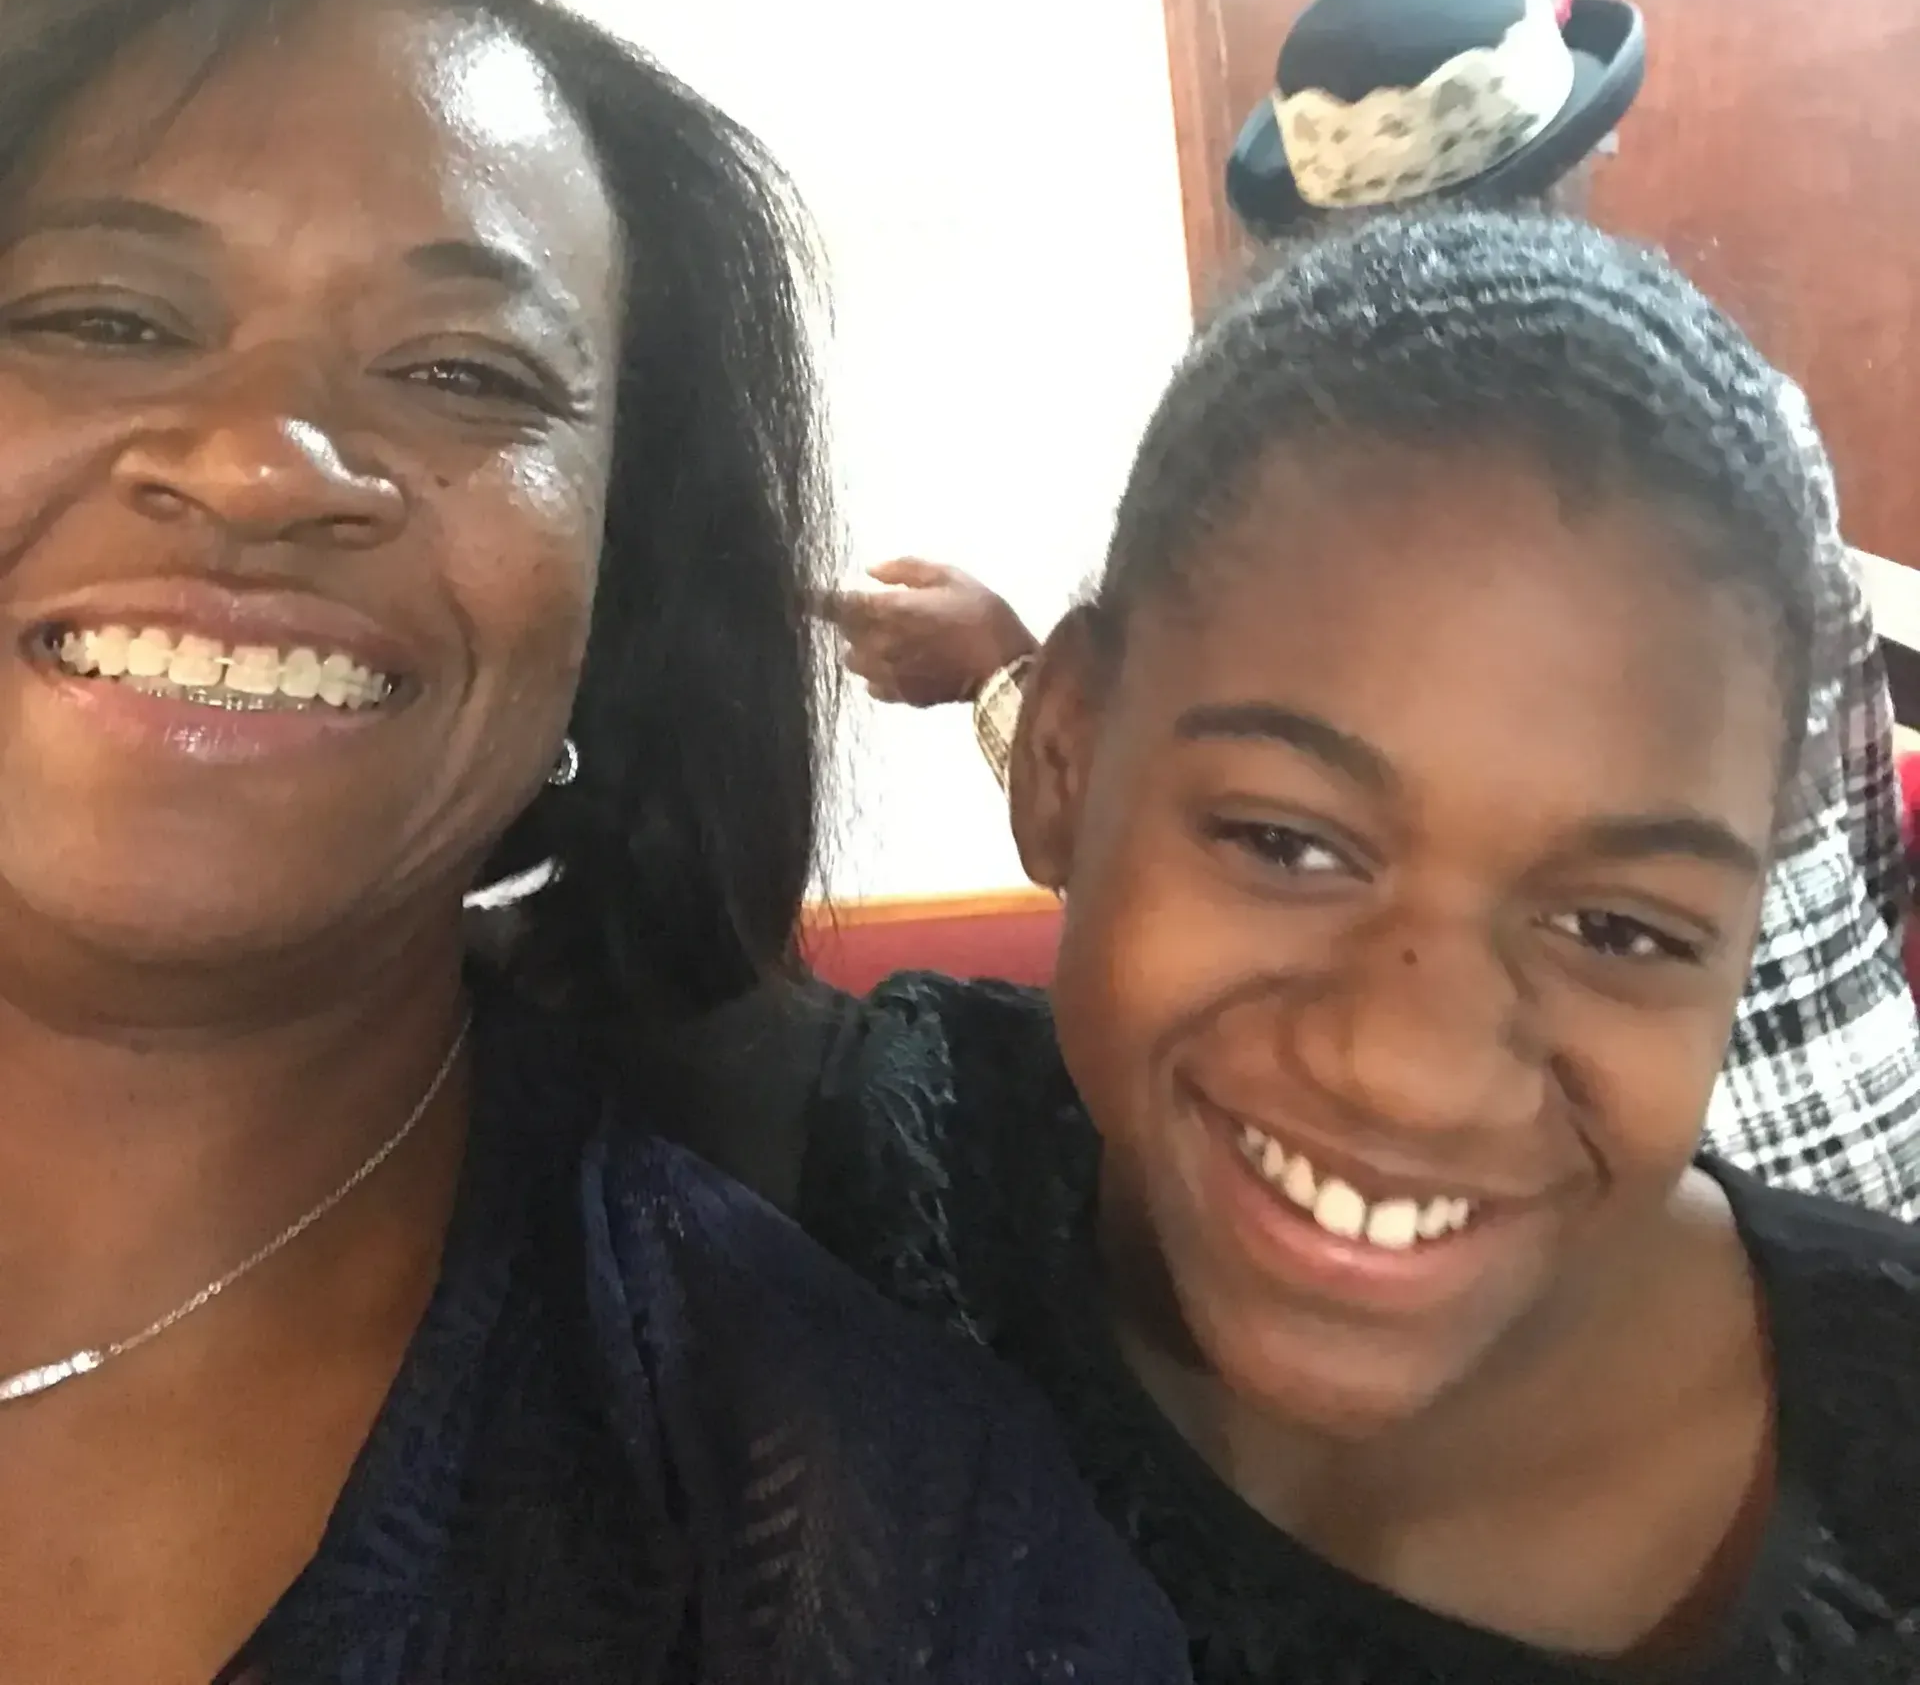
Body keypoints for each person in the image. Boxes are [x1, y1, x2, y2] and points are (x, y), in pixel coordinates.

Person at [0, 0, 1187, 1685]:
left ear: (622, 590)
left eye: (465, 372)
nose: (258, 465)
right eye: (103, 319)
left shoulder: (871, 1551)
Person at [752, 212, 1920, 1680]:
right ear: (1062, 759)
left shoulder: (1882, 1489)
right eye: (1286, 842)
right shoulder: (831, 1197)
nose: (1409, 1070)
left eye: (1617, 927)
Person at [830, 0, 1920, 1217]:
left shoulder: (1330, 511)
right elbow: (1865, 825)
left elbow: (1185, 863)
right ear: (1571, 168)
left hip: (1622, 1222)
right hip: (1874, 1137)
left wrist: (994, 672)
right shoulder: (1751, 425)